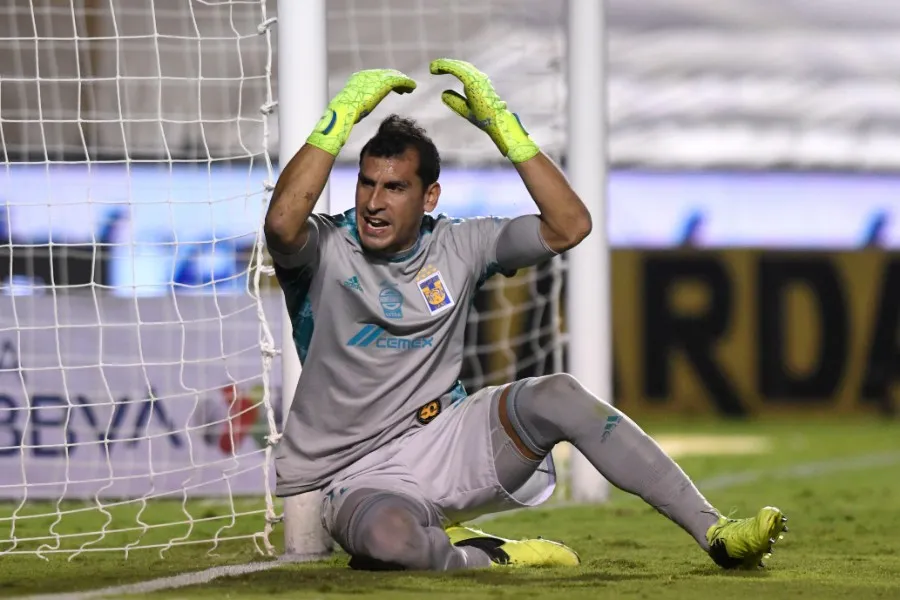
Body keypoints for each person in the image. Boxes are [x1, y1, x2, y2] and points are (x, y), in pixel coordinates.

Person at [264, 59, 788, 571]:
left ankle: (715, 532)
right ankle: (487, 555)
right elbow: (282, 224)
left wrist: (504, 129)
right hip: (358, 473)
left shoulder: (458, 243)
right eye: (367, 183)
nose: (374, 202)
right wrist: (340, 117)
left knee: (559, 393)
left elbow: (569, 226)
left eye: (395, 187)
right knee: (390, 542)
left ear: (429, 197)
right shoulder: (326, 247)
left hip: (449, 436)